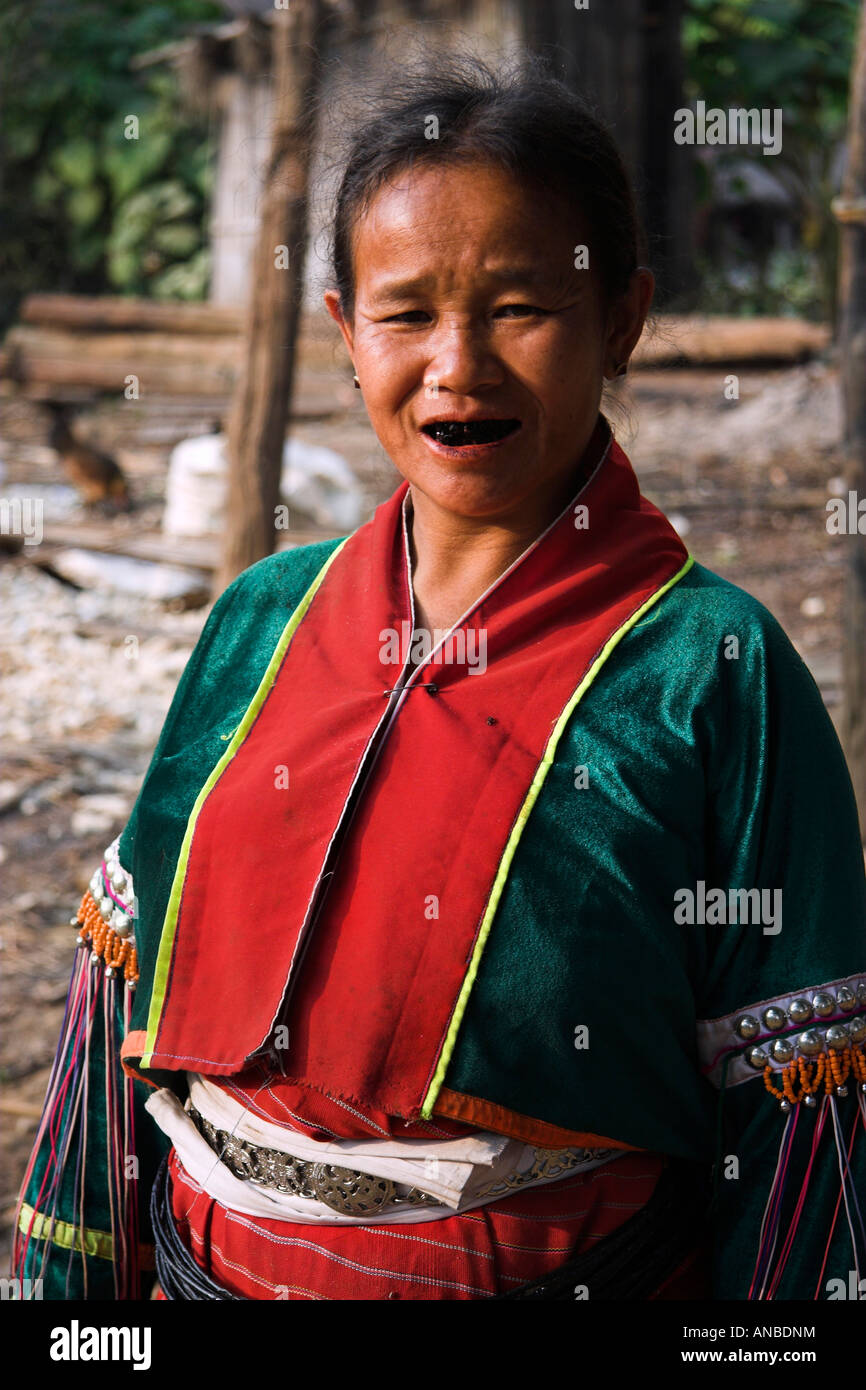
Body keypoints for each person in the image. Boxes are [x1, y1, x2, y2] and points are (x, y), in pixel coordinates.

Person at [13, 55, 866, 1302]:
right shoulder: (259, 621)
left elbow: (798, 1118)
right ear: (345, 334)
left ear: (618, 317)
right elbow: (120, 994)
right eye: (406, 313)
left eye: (519, 305)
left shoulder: (713, 672)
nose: (456, 365)